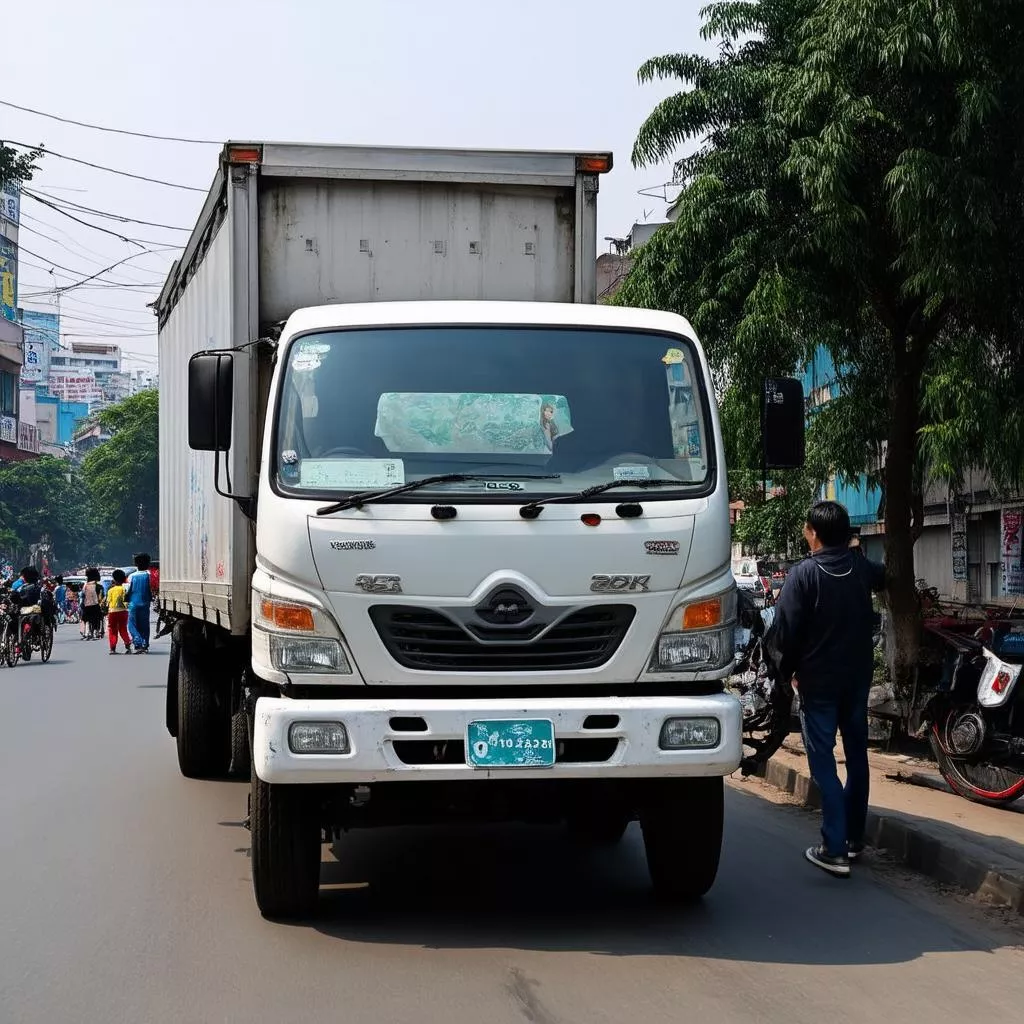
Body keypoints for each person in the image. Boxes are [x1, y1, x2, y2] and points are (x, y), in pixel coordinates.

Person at [772, 500, 886, 878]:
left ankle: (834, 848)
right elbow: (887, 576)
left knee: (823, 762)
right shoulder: (860, 568)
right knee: (857, 756)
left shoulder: (803, 574)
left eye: (807, 528)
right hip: (856, 680)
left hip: (818, 683)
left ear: (814, 533)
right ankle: (853, 840)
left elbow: (785, 632)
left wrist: (785, 674)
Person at [126, 553, 153, 653]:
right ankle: (145, 643)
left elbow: (127, 590)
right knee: (144, 624)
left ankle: (137, 642)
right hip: (145, 604)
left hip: (133, 604)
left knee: (132, 624)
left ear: (136, 564)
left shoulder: (131, 576)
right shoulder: (149, 575)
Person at [105, 569, 132, 655]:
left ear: (114, 579)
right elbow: (126, 601)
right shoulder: (124, 589)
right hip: (123, 612)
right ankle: (128, 646)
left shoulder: (110, 590)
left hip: (112, 612)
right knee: (123, 629)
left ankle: (113, 648)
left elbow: (108, 602)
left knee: (112, 630)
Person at [80, 568, 105, 641]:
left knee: (87, 620)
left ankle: (87, 633)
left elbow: (83, 596)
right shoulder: (99, 586)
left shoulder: (85, 586)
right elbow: (101, 597)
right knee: (96, 619)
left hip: (86, 605)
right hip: (96, 605)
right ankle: (95, 633)